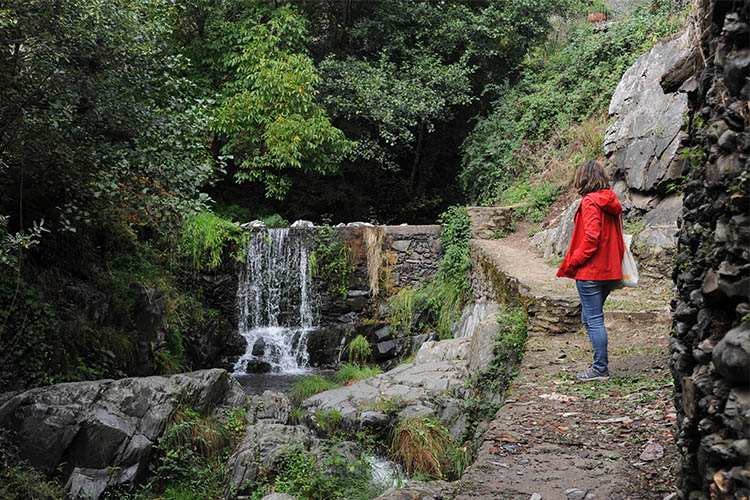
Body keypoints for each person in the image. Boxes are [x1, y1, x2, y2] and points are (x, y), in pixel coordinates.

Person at [557, 160, 624, 381]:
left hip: (591, 271)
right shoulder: (610, 200)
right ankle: (599, 363)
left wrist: (572, 262)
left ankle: (600, 368)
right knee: (589, 316)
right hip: (610, 270)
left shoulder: (590, 202)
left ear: (582, 179)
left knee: (594, 319)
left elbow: (591, 239)